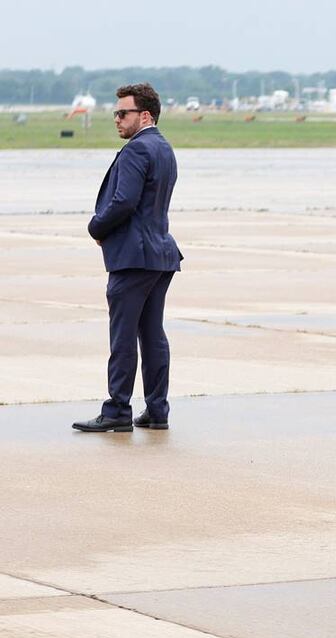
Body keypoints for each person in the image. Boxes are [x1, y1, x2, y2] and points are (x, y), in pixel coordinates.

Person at [73, 83, 183, 433]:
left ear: (145, 115)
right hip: (160, 253)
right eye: (115, 113)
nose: (117, 119)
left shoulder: (137, 150)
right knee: (152, 334)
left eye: (123, 113)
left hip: (134, 257)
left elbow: (124, 201)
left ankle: (117, 410)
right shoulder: (163, 147)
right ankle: (157, 409)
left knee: (123, 336)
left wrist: (96, 227)